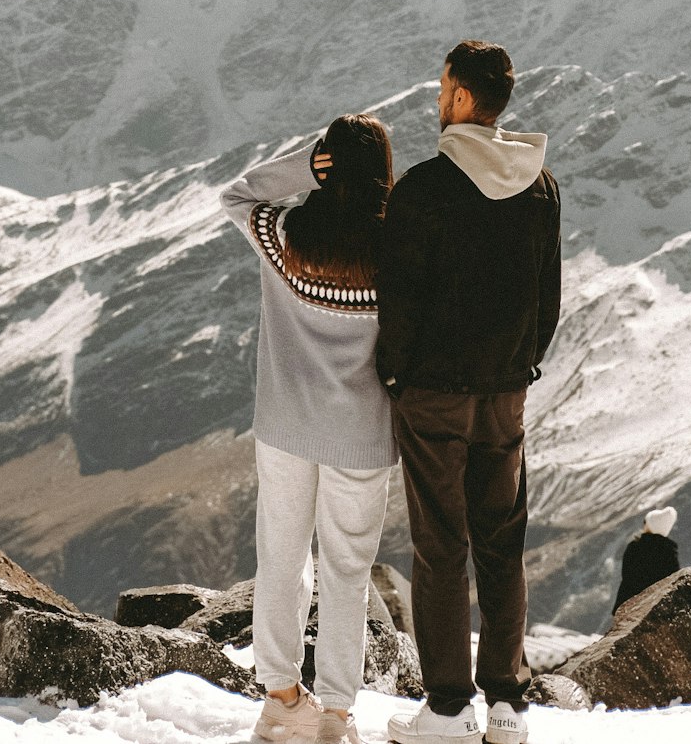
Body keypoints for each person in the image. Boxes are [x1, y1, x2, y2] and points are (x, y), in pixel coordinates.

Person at [377, 41, 561, 744]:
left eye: (441, 87)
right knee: (501, 542)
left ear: (458, 97)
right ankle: (508, 704)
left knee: (441, 546)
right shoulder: (538, 185)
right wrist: (519, 366)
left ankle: (449, 708)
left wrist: (397, 374)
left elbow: (400, 303)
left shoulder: (423, 188)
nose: (437, 99)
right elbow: (549, 300)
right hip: (506, 393)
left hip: (433, 395)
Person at [221, 115, 398, 744]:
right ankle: (336, 713)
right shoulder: (398, 248)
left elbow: (237, 194)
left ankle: (280, 697)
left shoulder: (283, 236)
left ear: (328, 169)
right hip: (362, 434)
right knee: (347, 572)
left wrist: (306, 163)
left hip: (286, 425)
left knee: (281, 555)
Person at [613, 507, 680, 610]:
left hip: (628, 603)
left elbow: (626, 575)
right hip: (658, 604)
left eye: (646, 522)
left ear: (650, 526)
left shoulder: (634, 547)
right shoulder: (669, 552)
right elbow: (673, 579)